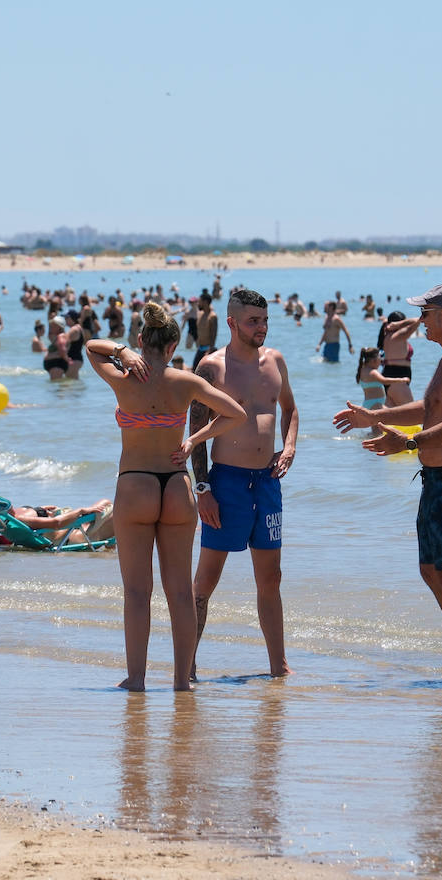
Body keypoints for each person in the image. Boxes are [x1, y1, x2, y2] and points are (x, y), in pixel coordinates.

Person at [333, 283, 442, 685]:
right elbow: (431, 408)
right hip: (436, 481)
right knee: (430, 570)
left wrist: (406, 441)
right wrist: (376, 418)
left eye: (426, 313)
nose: (420, 321)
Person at [85, 304, 243, 691]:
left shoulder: (123, 378)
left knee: (138, 592)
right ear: (173, 345)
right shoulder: (186, 381)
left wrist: (121, 352)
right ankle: (181, 682)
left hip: (135, 483)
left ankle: (136, 680)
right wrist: (193, 439)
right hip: (176, 485)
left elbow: (90, 347)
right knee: (179, 592)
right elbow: (235, 414)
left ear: (141, 341)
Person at [191, 289, 299, 680]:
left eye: (265, 320)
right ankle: (187, 662)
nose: (262, 327)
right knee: (205, 581)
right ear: (233, 322)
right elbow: (196, 431)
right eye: (254, 321)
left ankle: (278, 666)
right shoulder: (210, 367)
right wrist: (202, 490)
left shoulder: (276, 361)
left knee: (271, 577)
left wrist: (288, 447)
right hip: (226, 483)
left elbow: (289, 409)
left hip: (267, 483)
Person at [379, 310, 418, 406]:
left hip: (390, 376)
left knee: (393, 419)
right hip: (397, 377)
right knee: (412, 415)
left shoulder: (387, 337)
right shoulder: (398, 335)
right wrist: (399, 324)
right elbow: (418, 320)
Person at [355, 346, 393, 413]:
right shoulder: (373, 372)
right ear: (374, 360)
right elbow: (384, 381)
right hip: (375, 404)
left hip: (369, 403)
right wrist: (401, 380)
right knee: (392, 417)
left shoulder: (362, 370)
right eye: (380, 357)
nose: (381, 360)